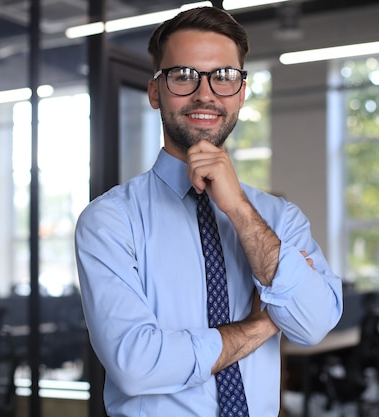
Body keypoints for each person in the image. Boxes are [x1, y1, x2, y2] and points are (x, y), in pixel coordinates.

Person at [75, 6, 343, 417]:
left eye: (223, 76)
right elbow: (136, 365)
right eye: (184, 76)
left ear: (241, 92)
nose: (205, 93)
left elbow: (313, 323)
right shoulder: (111, 221)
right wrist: (261, 326)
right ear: (154, 92)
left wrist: (237, 208)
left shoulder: (278, 218)